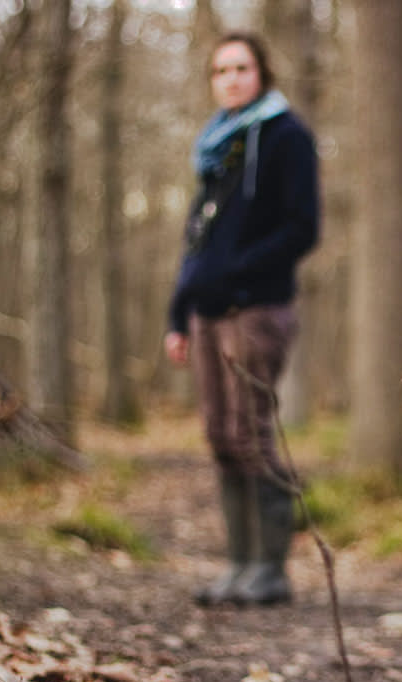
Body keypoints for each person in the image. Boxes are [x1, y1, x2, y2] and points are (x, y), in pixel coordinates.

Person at [165, 31, 319, 607]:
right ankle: (238, 564)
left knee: (253, 434)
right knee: (220, 436)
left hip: (256, 309)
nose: (230, 78)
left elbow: (303, 228)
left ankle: (270, 568)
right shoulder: (216, 148)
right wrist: (178, 314)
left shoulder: (286, 137)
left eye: (241, 67)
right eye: (221, 69)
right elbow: (195, 240)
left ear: (262, 73)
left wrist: (238, 271)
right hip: (205, 314)